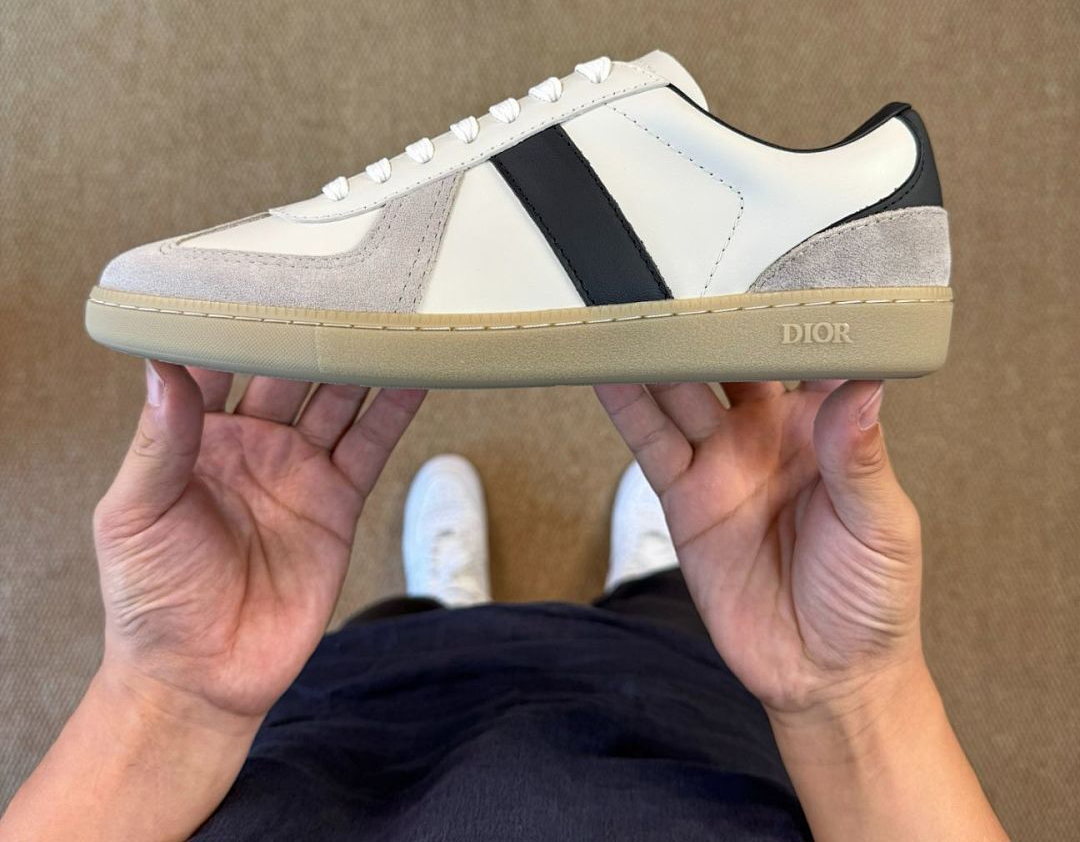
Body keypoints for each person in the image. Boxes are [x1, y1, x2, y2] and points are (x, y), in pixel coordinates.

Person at [1, 363, 1007, 841]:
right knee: (668, 626)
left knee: (396, 645)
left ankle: (444, 608)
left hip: (346, 741)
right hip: (674, 727)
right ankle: (650, 582)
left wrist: (170, 698)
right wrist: (848, 695)